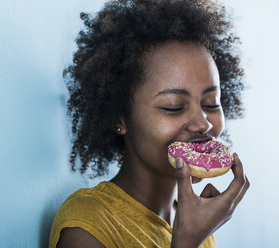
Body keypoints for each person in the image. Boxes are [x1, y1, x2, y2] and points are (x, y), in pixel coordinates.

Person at [49, 0, 250, 247]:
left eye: (211, 103)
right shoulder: (88, 224)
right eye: (174, 106)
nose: (203, 124)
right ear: (119, 118)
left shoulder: (198, 225)